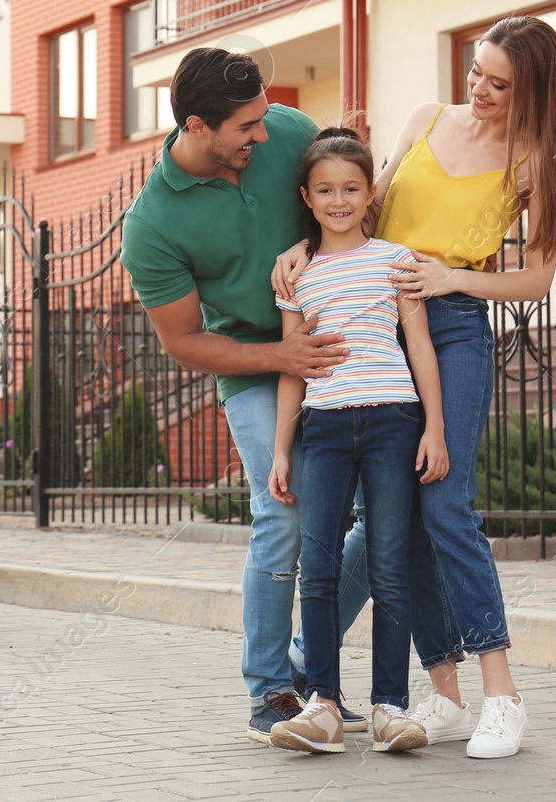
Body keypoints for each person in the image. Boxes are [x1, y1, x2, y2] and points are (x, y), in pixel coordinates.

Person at [272, 15, 556, 759]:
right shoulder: (425, 119)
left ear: (531, 89)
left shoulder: (535, 161)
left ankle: (502, 693)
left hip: (451, 326)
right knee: (398, 511)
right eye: (476, 71)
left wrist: (452, 277)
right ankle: (443, 692)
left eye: (498, 83)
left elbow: (537, 279)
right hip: (380, 322)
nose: (478, 89)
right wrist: (302, 248)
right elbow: (358, 208)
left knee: (445, 499)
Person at [119, 46, 353, 747]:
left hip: (343, 350)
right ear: (197, 125)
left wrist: (311, 246)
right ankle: (270, 689)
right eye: (246, 125)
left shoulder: (286, 131)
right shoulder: (152, 224)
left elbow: (345, 203)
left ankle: (312, 666)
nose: (264, 132)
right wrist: (279, 354)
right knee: (281, 514)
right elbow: (185, 340)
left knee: (387, 516)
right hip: (254, 366)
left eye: (262, 117)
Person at [265, 127, 448, 756]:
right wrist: (282, 449)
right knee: (316, 568)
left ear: (370, 193)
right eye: (325, 190)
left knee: (389, 564)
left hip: (393, 422)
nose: (338, 199)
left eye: (350, 188)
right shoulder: (295, 276)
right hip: (323, 430)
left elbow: (419, 346)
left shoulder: (397, 261)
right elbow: (293, 366)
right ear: (307, 198)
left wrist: (435, 427)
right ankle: (322, 708)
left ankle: (390, 707)